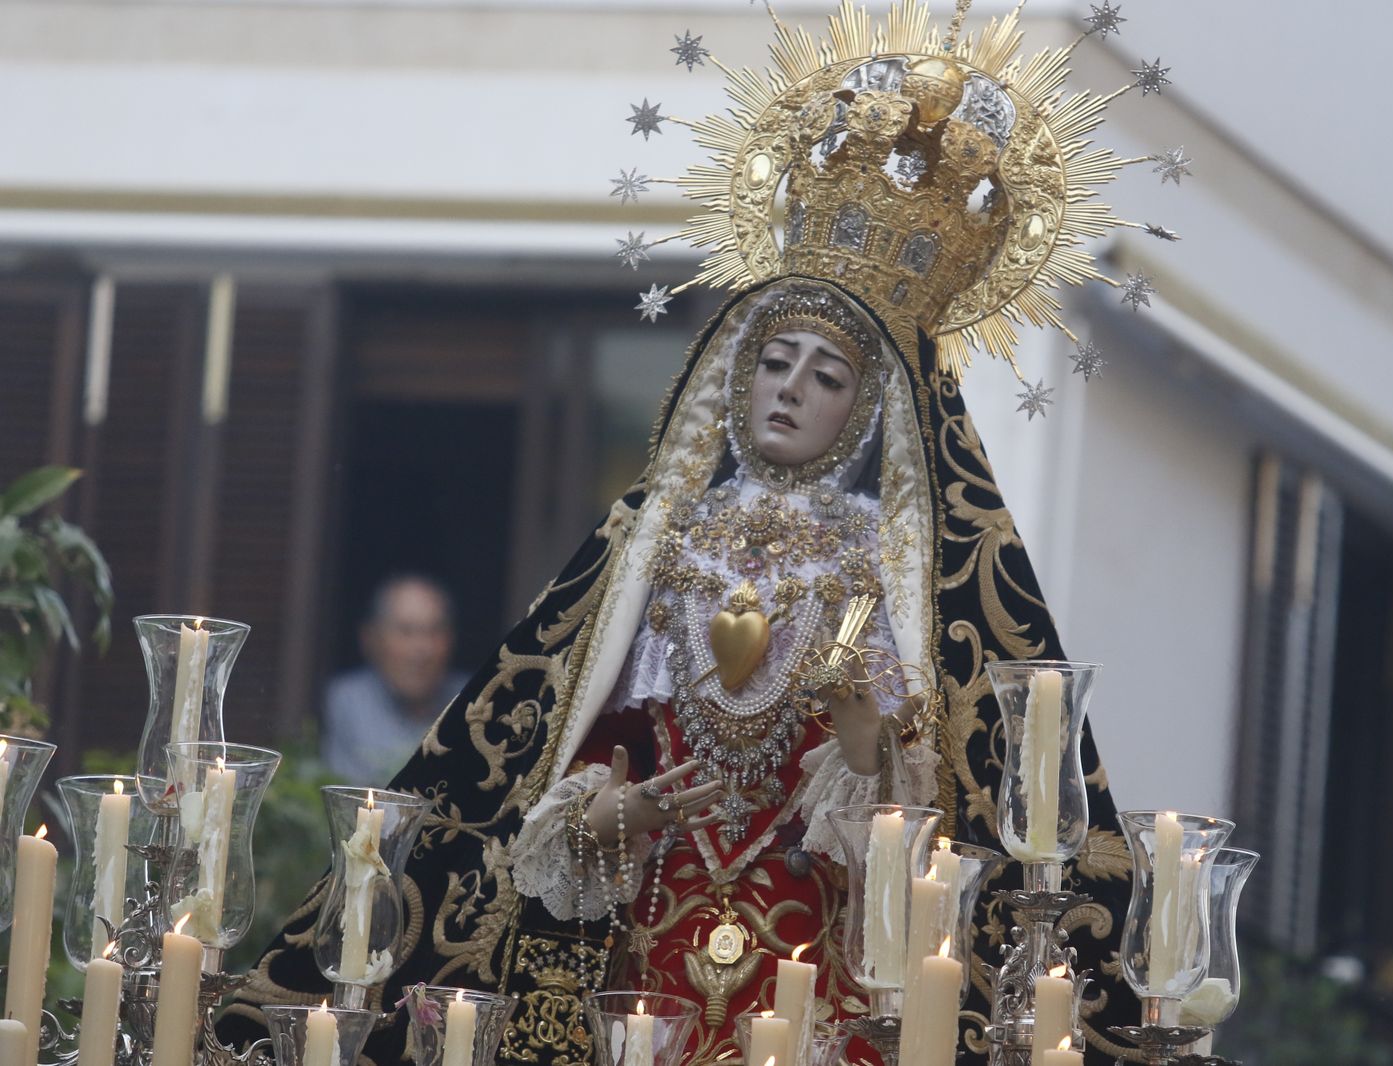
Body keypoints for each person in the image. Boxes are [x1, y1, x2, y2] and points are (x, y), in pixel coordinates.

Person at [225, 8, 1156, 1062]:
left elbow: (920, 830)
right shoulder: (657, 546)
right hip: (646, 956)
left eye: (826, 374)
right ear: (734, 373)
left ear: (865, 409)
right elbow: (559, 757)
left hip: (817, 967)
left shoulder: (889, 565)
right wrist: (610, 813)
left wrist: (861, 740)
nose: (791, 389)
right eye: (775, 359)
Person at [321, 574, 470, 784]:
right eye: (406, 631)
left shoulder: (471, 700)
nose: (422, 650)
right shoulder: (347, 699)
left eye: (434, 631)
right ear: (371, 639)